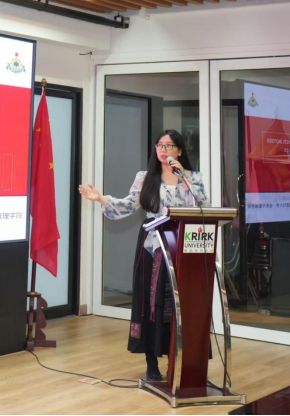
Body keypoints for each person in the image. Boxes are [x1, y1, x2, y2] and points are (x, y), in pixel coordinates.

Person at [79, 130, 210, 381]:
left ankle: (176, 360)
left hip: (184, 248)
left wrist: (184, 178)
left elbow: (204, 207)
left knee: (179, 305)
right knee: (152, 303)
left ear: (179, 151)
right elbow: (129, 204)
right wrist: (101, 198)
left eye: (169, 146)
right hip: (153, 246)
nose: (163, 150)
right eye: (160, 145)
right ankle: (151, 362)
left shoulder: (193, 178)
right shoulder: (145, 177)